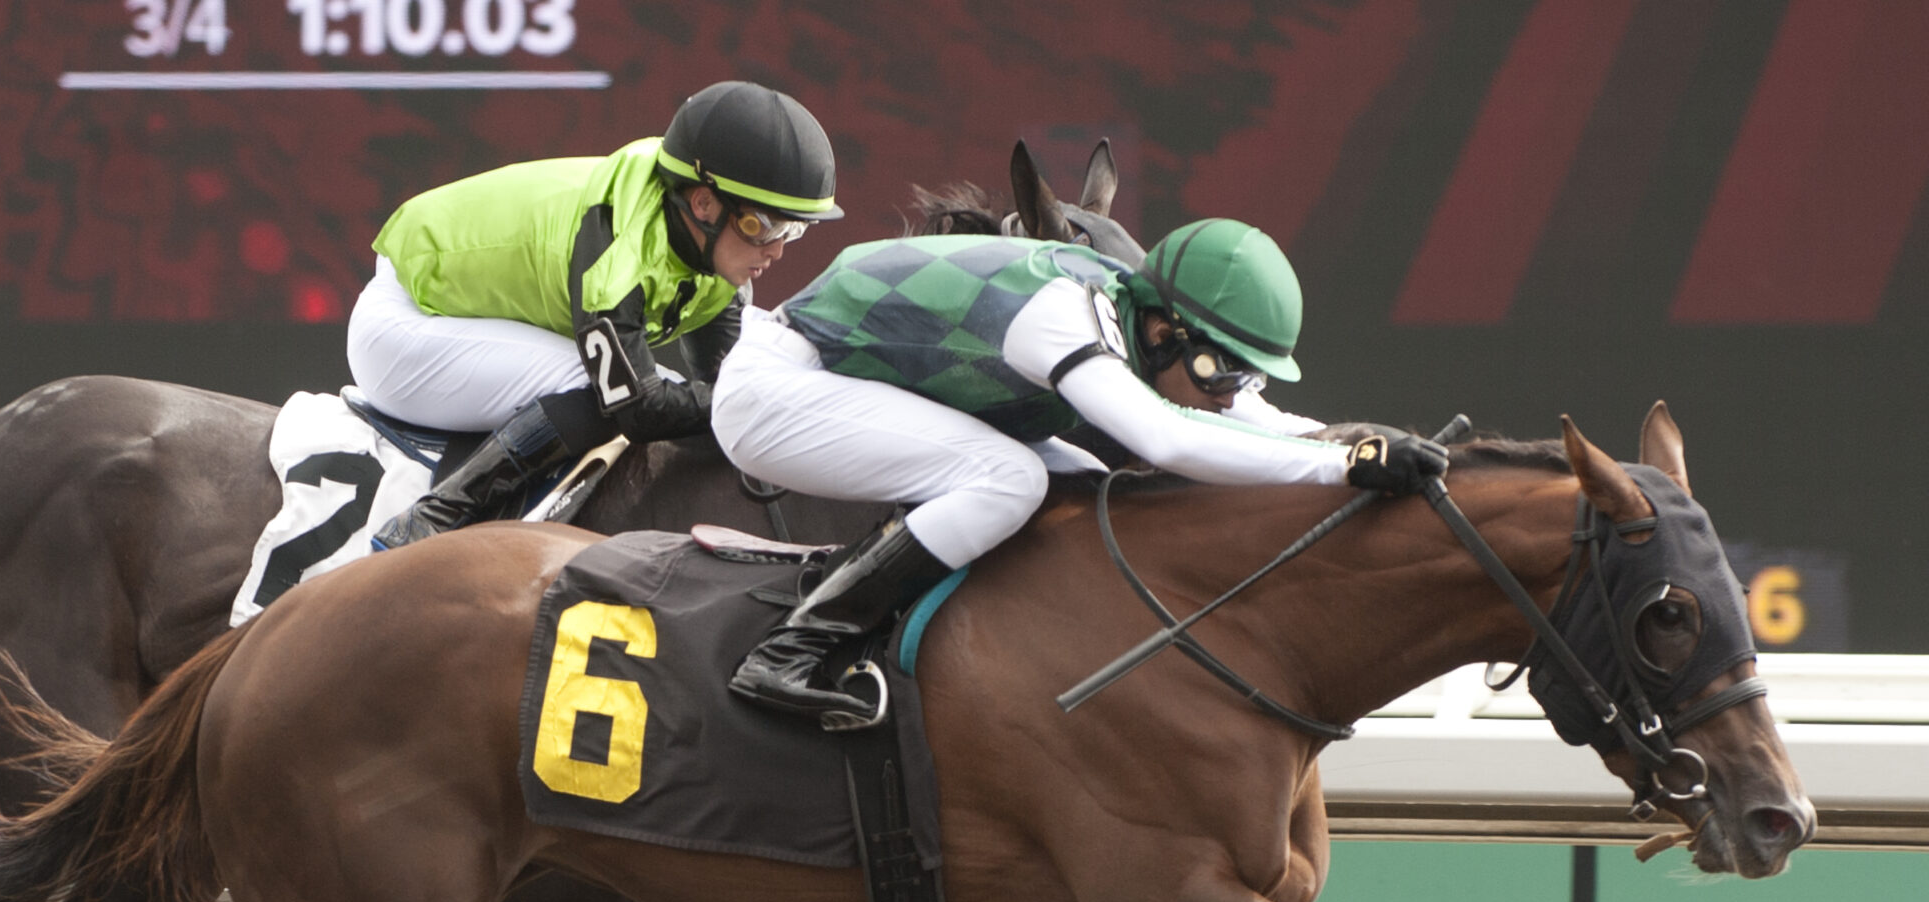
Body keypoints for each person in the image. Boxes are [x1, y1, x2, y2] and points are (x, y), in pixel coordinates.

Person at [713, 217, 1450, 724]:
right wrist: (1341, 465)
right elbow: (1168, 440)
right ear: (1163, 331)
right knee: (1011, 479)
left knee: (1083, 483)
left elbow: (1264, 421)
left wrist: (1368, 443)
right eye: (1223, 374)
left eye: (1245, 377)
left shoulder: (1133, 314)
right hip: (774, 392)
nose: (1232, 397)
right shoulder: (1060, 314)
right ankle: (791, 649)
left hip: (842, 382)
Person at [353, 80, 841, 551]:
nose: (776, 251)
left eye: (792, 230)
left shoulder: (710, 245)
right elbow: (639, 409)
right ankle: (433, 516)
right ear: (703, 203)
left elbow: (728, 385)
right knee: (600, 391)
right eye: (764, 226)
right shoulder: (617, 254)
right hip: (405, 325)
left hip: (462, 317)